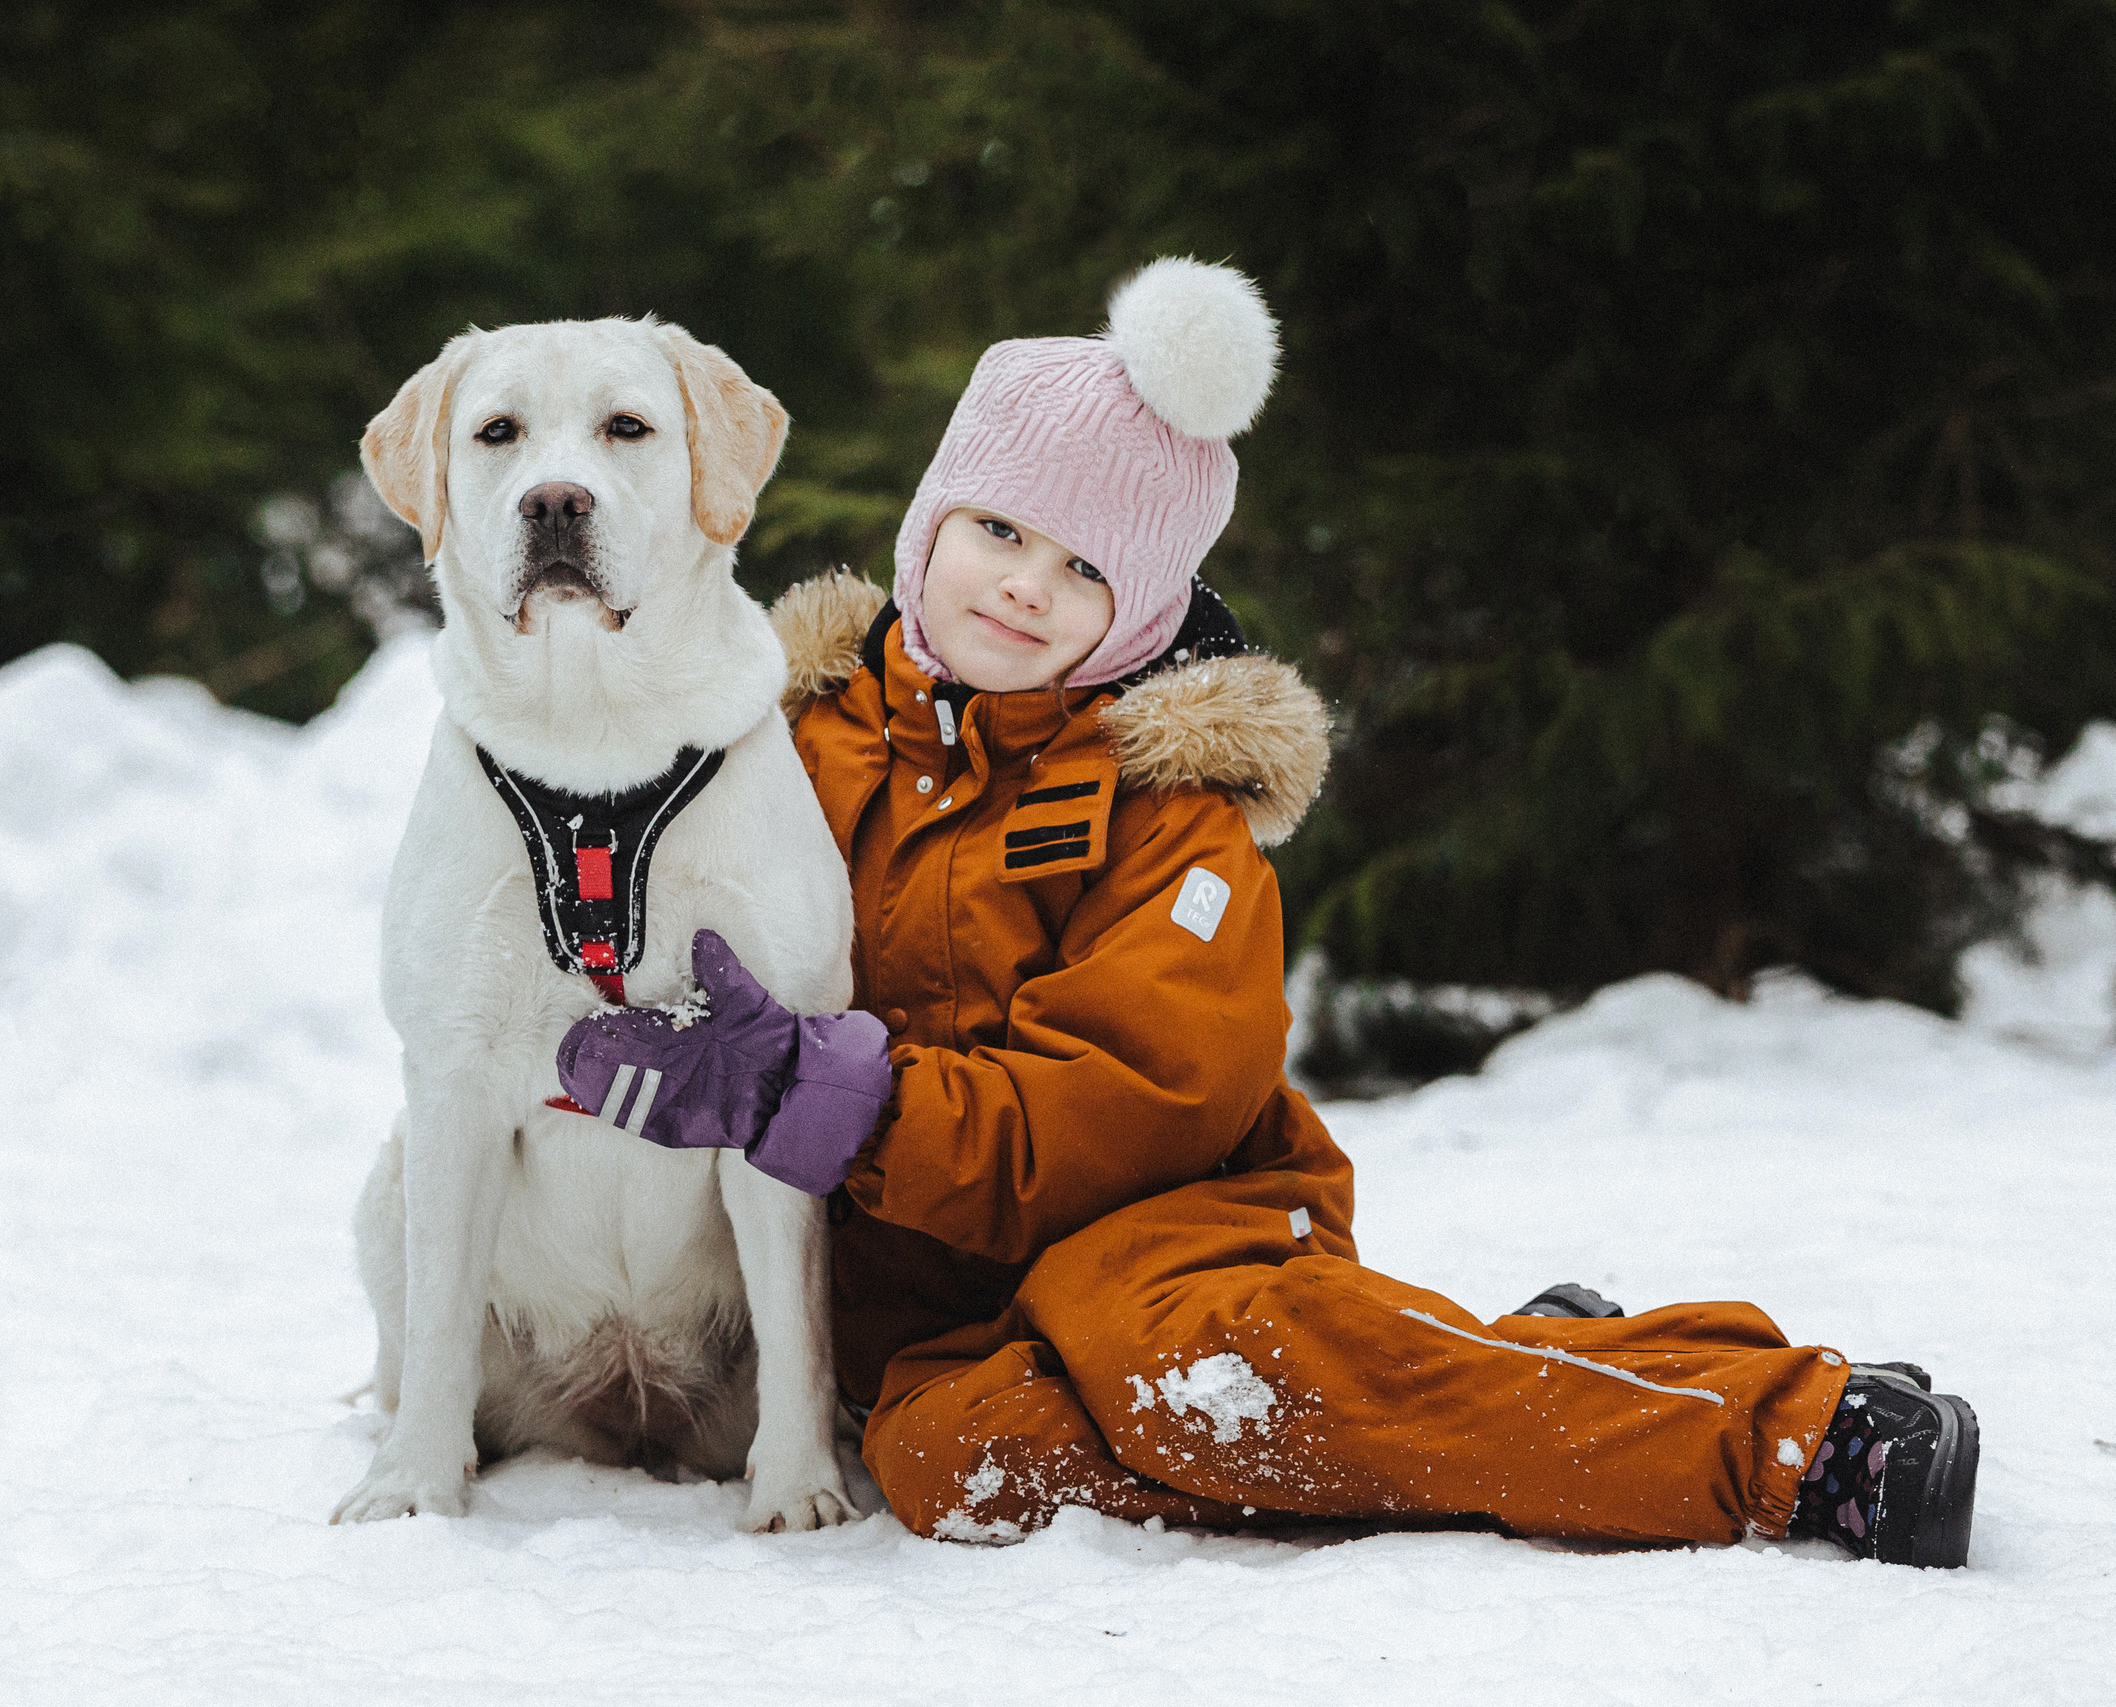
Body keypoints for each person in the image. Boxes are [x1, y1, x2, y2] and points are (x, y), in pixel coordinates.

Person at [557, 259, 1980, 1566]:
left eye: (1085, 569)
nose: (1022, 587)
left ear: (1148, 606)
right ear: (932, 519)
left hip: (1168, 1233)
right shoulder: (792, 747)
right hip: (940, 1316)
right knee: (958, 1467)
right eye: (997, 528)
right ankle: (1452, 1374)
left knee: (1198, 1380)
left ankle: (1790, 1436)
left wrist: (839, 1102)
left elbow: (1136, 1101)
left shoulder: (1170, 807)